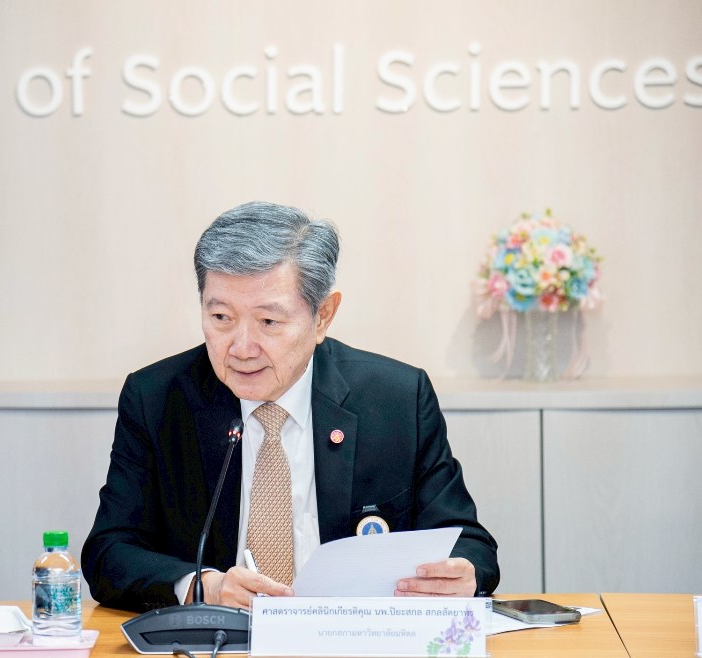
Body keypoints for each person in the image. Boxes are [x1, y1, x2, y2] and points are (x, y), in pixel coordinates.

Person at [82, 201, 498, 612]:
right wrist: (203, 586)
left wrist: (463, 574)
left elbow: (469, 544)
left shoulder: (395, 399)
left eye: (268, 322)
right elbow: (109, 552)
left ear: (323, 316)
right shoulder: (157, 399)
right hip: (216, 644)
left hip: (355, 643)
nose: (241, 348)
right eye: (222, 317)